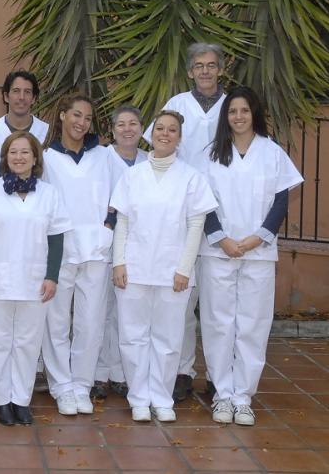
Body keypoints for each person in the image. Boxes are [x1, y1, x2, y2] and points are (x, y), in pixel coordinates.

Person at [199, 87, 302, 426]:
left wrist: (258, 238)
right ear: (225, 117)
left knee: (253, 324)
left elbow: (281, 202)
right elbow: (205, 202)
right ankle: (222, 396)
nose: (238, 117)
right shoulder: (213, 154)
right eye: (232, 111)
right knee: (218, 323)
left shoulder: (272, 153)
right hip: (220, 251)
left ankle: (243, 397)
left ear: (254, 113)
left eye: (244, 110)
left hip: (259, 251)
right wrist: (223, 239)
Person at [111, 110, 217, 423]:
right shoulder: (133, 176)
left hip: (174, 272)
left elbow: (196, 225)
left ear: (179, 138)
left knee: (169, 338)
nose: (165, 134)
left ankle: (161, 396)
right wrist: (118, 262)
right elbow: (122, 221)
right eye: (160, 128)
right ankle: (139, 397)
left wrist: (185, 268)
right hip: (134, 269)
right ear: (151, 133)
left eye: (172, 130)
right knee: (133, 336)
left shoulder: (191, 178)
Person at [0, 131, 71, 426]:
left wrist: (52, 276)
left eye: (25, 152)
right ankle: (1, 400)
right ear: (5, 157)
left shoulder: (49, 194)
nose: (19, 157)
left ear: (35, 158)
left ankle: (21, 400)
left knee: (27, 342)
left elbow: (57, 238)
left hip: (35, 281)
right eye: (13, 152)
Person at [142, 42, 227, 401]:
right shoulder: (177, 105)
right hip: (182, 215)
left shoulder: (233, 106)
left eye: (212, 65)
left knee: (218, 306)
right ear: (190, 70)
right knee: (184, 299)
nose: (205, 71)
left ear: (220, 69)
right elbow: (155, 147)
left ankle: (221, 379)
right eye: (199, 65)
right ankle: (181, 371)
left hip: (227, 214)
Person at [40, 95, 122, 416]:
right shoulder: (46, 157)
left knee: (90, 321)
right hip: (59, 251)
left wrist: (108, 225)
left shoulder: (103, 156)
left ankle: (81, 385)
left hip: (96, 250)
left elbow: (120, 195)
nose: (81, 122)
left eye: (87, 118)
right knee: (56, 321)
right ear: (62, 116)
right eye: (76, 115)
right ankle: (61, 385)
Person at [93, 105, 147, 399]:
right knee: (102, 308)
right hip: (105, 239)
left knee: (127, 312)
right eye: (121, 124)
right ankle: (100, 372)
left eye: (133, 124)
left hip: (137, 245)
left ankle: (121, 372)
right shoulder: (101, 157)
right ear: (112, 130)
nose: (128, 129)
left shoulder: (149, 161)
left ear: (141, 129)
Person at [0, 70, 49, 174]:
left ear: (34, 98)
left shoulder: (48, 133)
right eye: (16, 91)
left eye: (27, 92)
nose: (21, 97)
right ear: (6, 96)